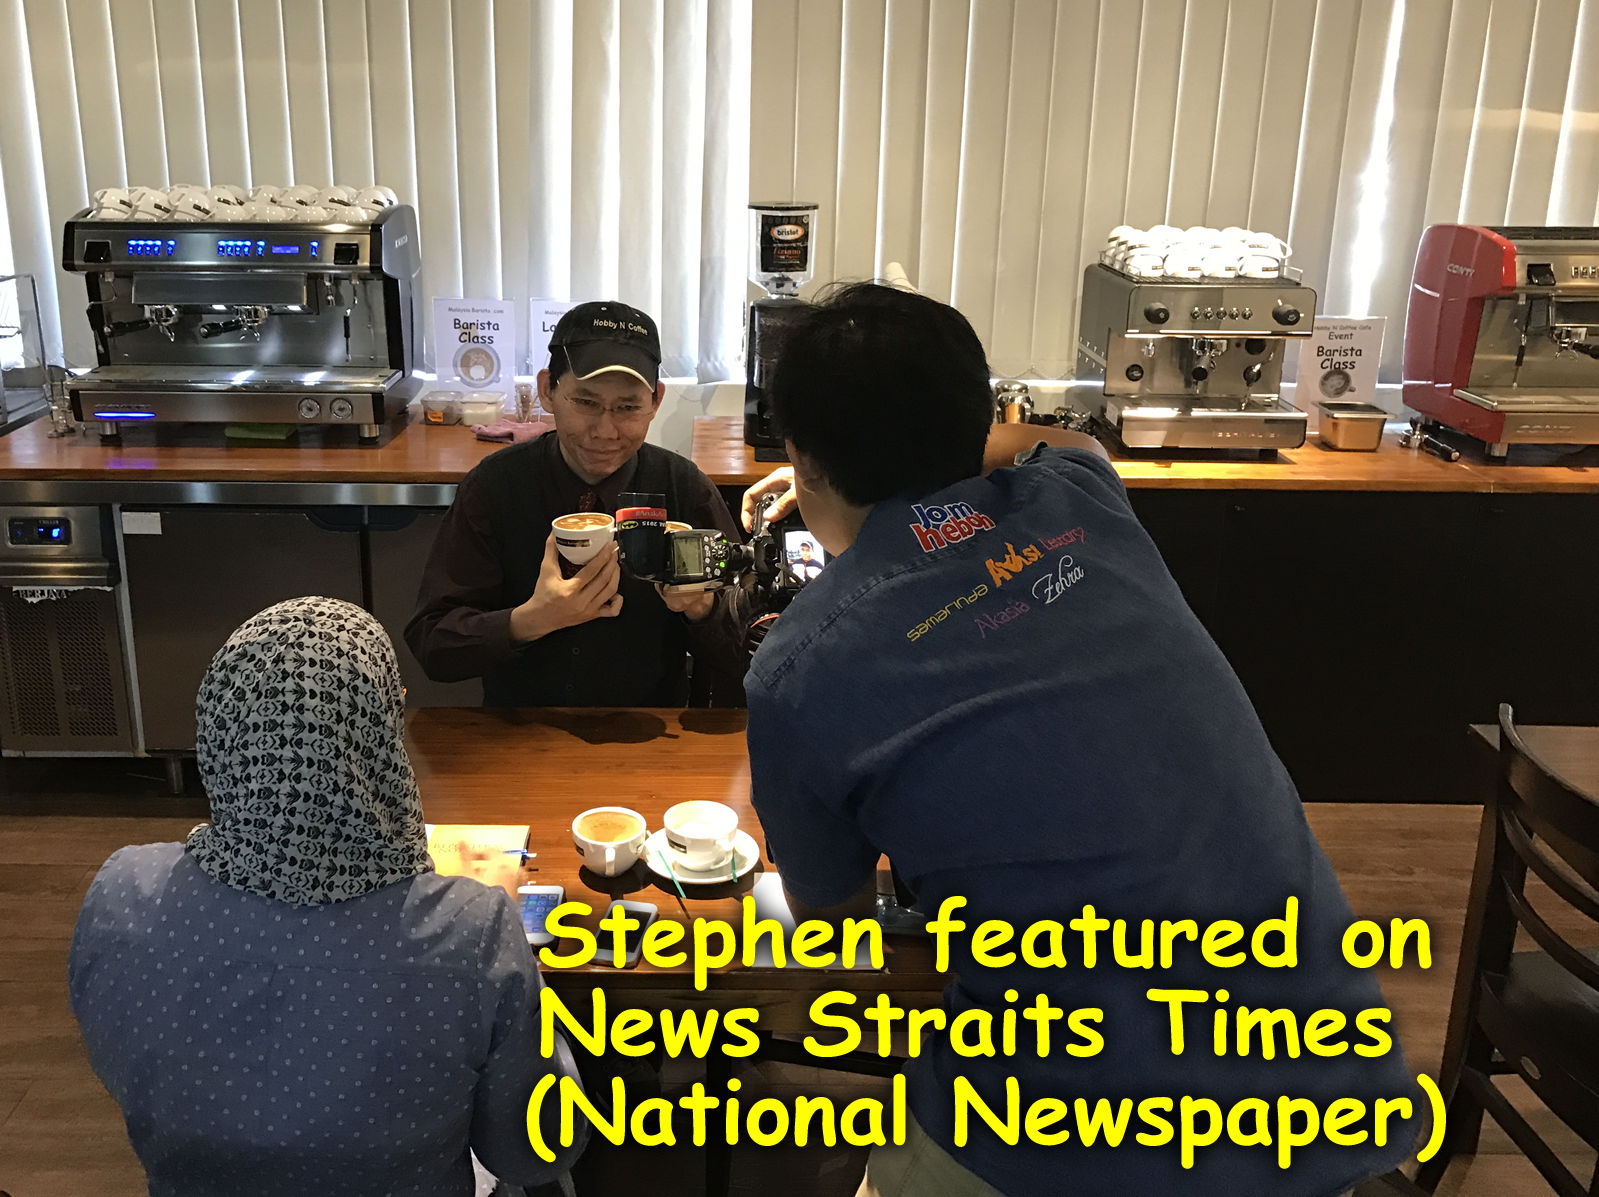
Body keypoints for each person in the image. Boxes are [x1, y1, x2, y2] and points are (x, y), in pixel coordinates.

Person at [741, 284, 1421, 1196]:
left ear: (801, 458)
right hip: (1330, 1097)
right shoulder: (1078, 497)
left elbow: (834, 924)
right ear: (978, 417)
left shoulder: (800, 664)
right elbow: (1068, 440)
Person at [69, 597, 587, 1197]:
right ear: (379, 740)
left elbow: (123, 1069)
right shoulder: (475, 929)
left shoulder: (120, 895)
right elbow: (535, 1151)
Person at [407, 301, 748, 707]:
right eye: (585, 403)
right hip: (521, 726)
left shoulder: (682, 488)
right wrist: (532, 619)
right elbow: (433, 643)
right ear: (547, 390)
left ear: (655, 401)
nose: (605, 431)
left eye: (627, 407)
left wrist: (702, 609)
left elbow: (748, 649)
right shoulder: (496, 486)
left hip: (649, 728)